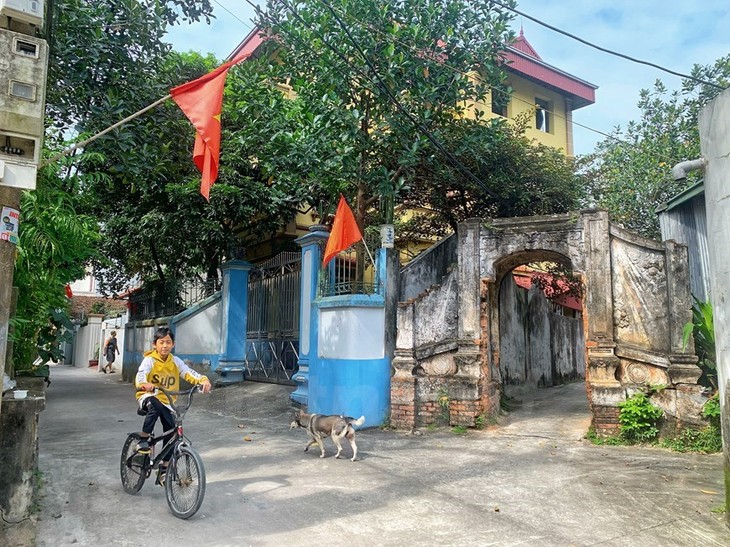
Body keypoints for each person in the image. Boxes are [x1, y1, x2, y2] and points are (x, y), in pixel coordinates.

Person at [134, 327, 211, 483]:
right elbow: (141, 374)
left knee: (171, 433)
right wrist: (144, 384)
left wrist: (203, 380)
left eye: (168, 342)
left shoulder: (175, 361)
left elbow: (188, 372)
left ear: (173, 344)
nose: (165, 346)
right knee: (155, 404)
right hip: (148, 396)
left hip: (168, 402)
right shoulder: (149, 360)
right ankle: (143, 439)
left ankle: (164, 469)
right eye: (161, 342)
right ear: (155, 344)